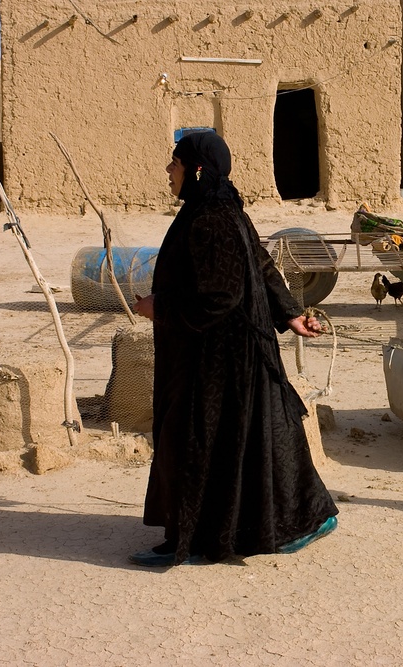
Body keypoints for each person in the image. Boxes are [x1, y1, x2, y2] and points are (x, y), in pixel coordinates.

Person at [130, 132, 338, 567]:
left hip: (218, 363)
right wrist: (290, 314)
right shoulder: (219, 210)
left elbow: (220, 297)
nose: (170, 171)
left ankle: (199, 539)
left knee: (196, 443)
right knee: (242, 445)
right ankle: (225, 530)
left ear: (197, 170)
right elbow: (260, 265)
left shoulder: (211, 219)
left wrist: (159, 307)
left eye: (176, 163)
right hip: (228, 355)